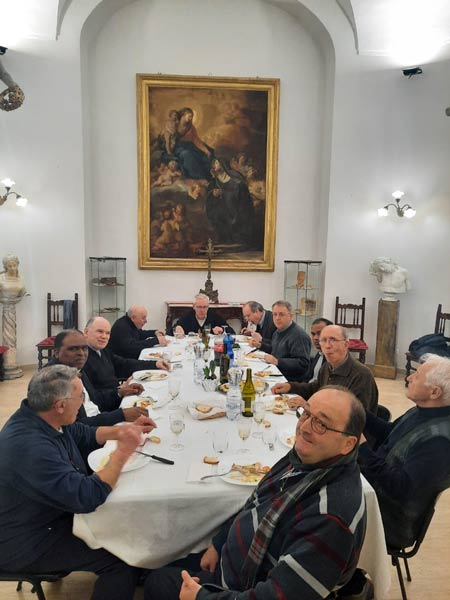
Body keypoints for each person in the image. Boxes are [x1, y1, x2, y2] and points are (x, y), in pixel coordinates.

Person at [144, 386, 367, 600]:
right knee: (153, 565)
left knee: (157, 582)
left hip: (244, 586)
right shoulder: (307, 460)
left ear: (348, 444)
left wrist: (202, 596)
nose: (305, 427)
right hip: (235, 560)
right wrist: (220, 543)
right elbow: (258, 502)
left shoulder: (331, 516)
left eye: (321, 424)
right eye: (306, 413)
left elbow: (278, 595)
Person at [0, 365, 156, 600]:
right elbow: (87, 496)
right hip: (27, 539)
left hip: (48, 515)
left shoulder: (41, 416)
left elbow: (81, 433)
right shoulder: (31, 447)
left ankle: (143, 570)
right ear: (60, 405)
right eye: (81, 397)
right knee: (123, 556)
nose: (83, 401)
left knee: (128, 527)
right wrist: (123, 452)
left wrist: (124, 432)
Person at [359, 354, 450, 549]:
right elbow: (390, 434)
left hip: (391, 519)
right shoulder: (423, 410)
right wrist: (356, 411)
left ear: (434, 392)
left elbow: (401, 489)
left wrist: (363, 448)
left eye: (417, 375)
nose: (409, 377)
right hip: (376, 489)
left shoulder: (439, 442)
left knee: (319, 501)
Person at [273, 325, 379, 416]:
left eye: (333, 340)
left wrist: (309, 407)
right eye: (323, 340)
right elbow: (315, 388)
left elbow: (354, 417)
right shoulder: (327, 367)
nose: (327, 346)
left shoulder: (361, 375)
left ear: (346, 345)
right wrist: (290, 386)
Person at [52, 329, 148, 426]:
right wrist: (120, 415)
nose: (81, 353)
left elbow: (95, 399)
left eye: (84, 348)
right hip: (92, 429)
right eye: (73, 349)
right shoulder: (54, 381)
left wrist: (120, 392)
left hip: (98, 419)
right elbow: (75, 427)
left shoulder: (75, 367)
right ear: (56, 352)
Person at [83, 316, 170, 393]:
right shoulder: (82, 359)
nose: (104, 336)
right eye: (100, 331)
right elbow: (94, 397)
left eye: (107, 333)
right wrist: (119, 391)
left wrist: (155, 364)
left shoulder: (102, 350)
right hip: (112, 401)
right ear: (86, 332)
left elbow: (124, 364)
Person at [206, 158, 254, 246]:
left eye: (216, 163)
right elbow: (209, 194)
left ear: (223, 163)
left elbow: (241, 193)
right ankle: (223, 237)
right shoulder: (214, 180)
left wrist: (224, 193)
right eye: (214, 163)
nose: (214, 165)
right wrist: (213, 194)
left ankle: (238, 237)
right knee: (217, 212)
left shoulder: (235, 178)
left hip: (235, 208)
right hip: (222, 210)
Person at [259, 300, 311, 381]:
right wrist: (260, 345)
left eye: (281, 314)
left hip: (289, 380)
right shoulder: (277, 332)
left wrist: (278, 361)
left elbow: (303, 364)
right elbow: (275, 350)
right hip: (275, 373)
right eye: (275, 314)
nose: (277, 318)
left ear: (291, 316)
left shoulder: (299, 336)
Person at [306, 317, 333, 382]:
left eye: (319, 333)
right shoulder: (319, 354)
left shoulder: (334, 359)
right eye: (313, 334)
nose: (315, 338)